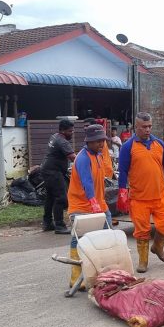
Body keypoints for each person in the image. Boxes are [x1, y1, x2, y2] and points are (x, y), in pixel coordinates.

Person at [116, 112, 164, 273]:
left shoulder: (159, 144)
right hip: (139, 199)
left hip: (160, 196)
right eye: (144, 127)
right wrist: (122, 192)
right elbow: (122, 171)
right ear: (136, 127)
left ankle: (157, 247)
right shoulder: (128, 147)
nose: (147, 129)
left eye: (149, 126)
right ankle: (143, 261)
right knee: (142, 232)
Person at [66, 123, 113, 287]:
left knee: (108, 238)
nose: (101, 144)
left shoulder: (98, 155)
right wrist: (93, 202)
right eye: (98, 141)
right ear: (89, 142)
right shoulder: (83, 158)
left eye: (103, 141)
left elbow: (99, 179)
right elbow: (86, 182)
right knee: (79, 240)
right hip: (81, 207)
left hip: (100, 205)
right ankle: (76, 278)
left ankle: (107, 274)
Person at [41, 119, 76, 234]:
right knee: (61, 198)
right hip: (54, 172)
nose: (72, 133)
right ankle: (60, 225)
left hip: (46, 170)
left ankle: (47, 223)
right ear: (63, 130)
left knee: (50, 197)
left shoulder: (54, 136)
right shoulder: (62, 141)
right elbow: (73, 158)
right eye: (70, 131)